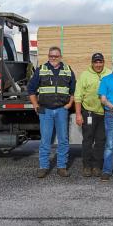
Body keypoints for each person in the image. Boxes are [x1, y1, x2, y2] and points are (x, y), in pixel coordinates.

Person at [28, 46, 76, 178]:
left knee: (63, 140)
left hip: (61, 110)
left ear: (60, 57)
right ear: (48, 56)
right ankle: (43, 167)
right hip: (45, 110)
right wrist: (36, 105)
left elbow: (73, 89)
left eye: (56, 56)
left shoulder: (67, 70)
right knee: (45, 140)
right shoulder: (41, 69)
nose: (53, 58)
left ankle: (62, 167)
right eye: (51, 56)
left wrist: (70, 104)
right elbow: (31, 89)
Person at [74, 53, 111, 177]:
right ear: (92, 63)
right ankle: (86, 166)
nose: (98, 64)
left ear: (103, 62)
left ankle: (96, 166)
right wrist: (78, 114)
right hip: (89, 112)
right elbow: (78, 95)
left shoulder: (109, 73)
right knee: (88, 139)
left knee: (101, 140)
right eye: (96, 62)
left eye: (100, 62)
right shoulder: (84, 75)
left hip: (104, 113)